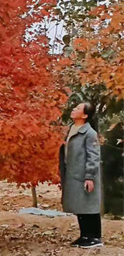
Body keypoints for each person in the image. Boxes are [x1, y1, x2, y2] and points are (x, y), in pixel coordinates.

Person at [59, 102, 103, 249]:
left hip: (85, 175)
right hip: (73, 174)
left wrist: (90, 177)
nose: (73, 109)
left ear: (84, 115)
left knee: (89, 207)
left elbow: (94, 156)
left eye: (78, 108)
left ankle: (95, 237)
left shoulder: (90, 133)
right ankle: (84, 236)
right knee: (80, 206)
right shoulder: (71, 128)